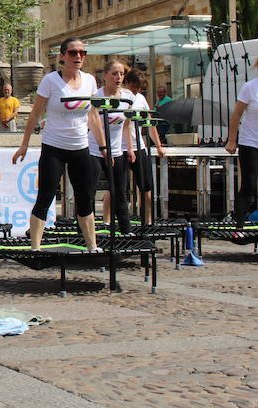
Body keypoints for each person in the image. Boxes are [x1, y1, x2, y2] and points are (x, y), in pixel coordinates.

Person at [12, 37, 105, 251]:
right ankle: (36, 247)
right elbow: (35, 114)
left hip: (80, 147)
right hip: (54, 146)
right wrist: (24, 144)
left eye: (82, 53)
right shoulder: (51, 80)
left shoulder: (90, 81)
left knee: (85, 198)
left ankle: (92, 246)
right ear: (62, 56)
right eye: (73, 53)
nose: (78, 57)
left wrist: (103, 147)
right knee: (46, 195)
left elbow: (93, 117)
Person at [87, 61, 135, 234]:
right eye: (114, 74)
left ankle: (125, 230)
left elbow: (127, 125)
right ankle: (86, 232)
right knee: (89, 192)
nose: (119, 77)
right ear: (105, 75)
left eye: (121, 74)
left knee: (120, 192)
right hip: (94, 149)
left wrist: (129, 148)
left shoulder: (127, 97)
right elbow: (91, 121)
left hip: (116, 150)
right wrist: (103, 147)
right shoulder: (96, 96)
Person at [112, 68, 165, 225]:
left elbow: (149, 123)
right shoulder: (119, 97)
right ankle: (108, 222)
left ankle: (147, 220)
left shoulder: (140, 98)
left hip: (138, 146)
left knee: (146, 186)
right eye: (134, 87)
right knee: (116, 188)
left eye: (139, 88)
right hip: (119, 147)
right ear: (127, 83)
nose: (136, 91)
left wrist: (159, 145)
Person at [224, 57, 258, 226]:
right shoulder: (250, 87)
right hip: (250, 142)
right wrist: (232, 140)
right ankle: (239, 224)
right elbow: (236, 115)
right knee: (249, 184)